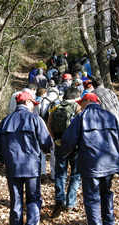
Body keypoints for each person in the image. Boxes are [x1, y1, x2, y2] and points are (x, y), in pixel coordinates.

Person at [59, 93, 119, 225]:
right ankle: (109, 222)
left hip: (91, 165)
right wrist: (112, 151)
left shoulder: (81, 117)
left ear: (86, 102)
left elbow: (68, 141)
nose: (80, 106)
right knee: (106, 194)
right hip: (109, 165)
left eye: (81, 103)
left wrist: (64, 154)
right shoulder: (111, 116)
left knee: (92, 199)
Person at [0, 91, 54, 225]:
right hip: (31, 168)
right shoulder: (35, 119)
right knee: (33, 199)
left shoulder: (5, 121)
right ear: (27, 102)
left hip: (13, 168)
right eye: (33, 103)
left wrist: (5, 161)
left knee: (16, 200)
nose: (34, 106)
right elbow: (46, 143)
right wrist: (44, 151)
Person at [47, 87, 82, 217]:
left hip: (59, 145)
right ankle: (70, 203)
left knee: (60, 174)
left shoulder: (55, 107)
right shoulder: (77, 108)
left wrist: (56, 139)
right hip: (75, 147)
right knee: (75, 174)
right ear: (76, 97)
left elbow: (49, 124)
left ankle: (59, 201)